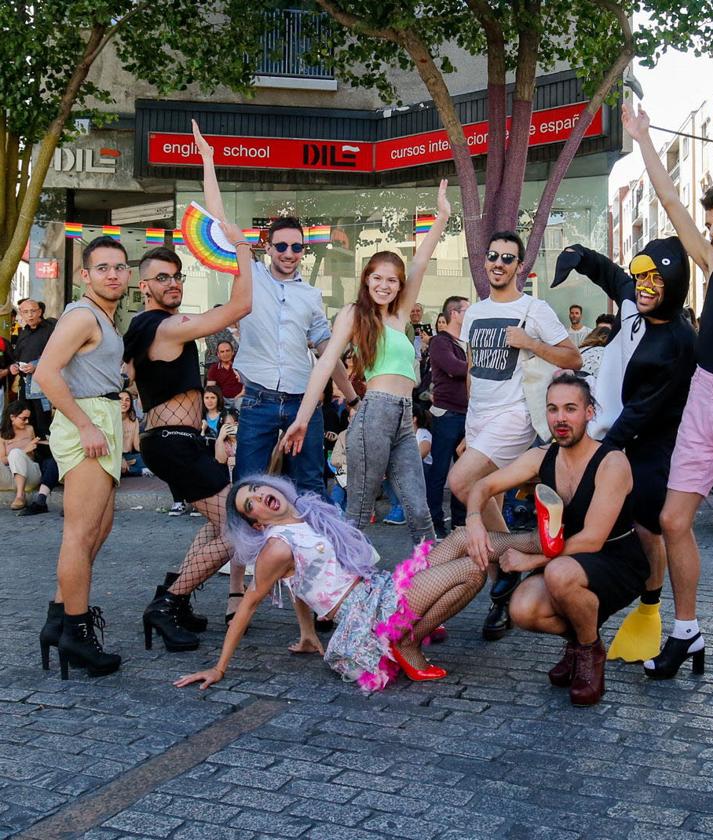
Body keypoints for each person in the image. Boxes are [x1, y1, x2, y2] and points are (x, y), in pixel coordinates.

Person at [622, 101, 713, 691]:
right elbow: (672, 204)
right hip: (701, 398)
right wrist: (644, 140)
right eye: (711, 226)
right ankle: (687, 631)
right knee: (672, 517)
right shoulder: (712, 265)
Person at [173, 474, 486, 692]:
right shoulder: (276, 547)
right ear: (256, 523)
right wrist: (219, 668)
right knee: (473, 570)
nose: (258, 496)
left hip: (379, 588)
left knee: (461, 537)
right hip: (367, 615)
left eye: (255, 489)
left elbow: (300, 581)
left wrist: (307, 632)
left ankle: (534, 545)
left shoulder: (307, 518)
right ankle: (407, 640)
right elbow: (249, 604)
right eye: (250, 504)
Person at [552, 237, 696, 665]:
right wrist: (578, 256)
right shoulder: (634, 299)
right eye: (641, 278)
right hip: (608, 436)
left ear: (674, 283)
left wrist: (597, 455)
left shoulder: (679, 342)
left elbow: (642, 412)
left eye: (655, 279)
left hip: (650, 445)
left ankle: (650, 607)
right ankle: (581, 630)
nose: (644, 287)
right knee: (585, 518)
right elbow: (611, 275)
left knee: (648, 524)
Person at [282, 183, 448, 553]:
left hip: (405, 419)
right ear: (366, 281)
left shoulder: (401, 316)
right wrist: (304, 418)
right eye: (378, 278)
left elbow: (420, 261)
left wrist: (442, 217)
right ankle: (337, 593)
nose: (385, 286)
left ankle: (428, 588)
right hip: (374, 415)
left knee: (419, 512)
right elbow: (326, 364)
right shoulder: (356, 315)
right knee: (358, 512)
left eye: (392, 280)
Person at [464, 371, 647, 706]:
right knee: (522, 609)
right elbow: (483, 485)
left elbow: (592, 539)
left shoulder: (612, 462)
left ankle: (590, 656)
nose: (560, 419)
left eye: (570, 409)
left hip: (616, 559)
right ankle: (581, 640)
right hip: (565, 559)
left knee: (558, 574)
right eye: (553, 409)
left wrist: (531, 561)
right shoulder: (541, 457)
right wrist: (474, 519)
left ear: (589, 412)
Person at [448, 230, 582, 640]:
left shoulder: (533, 308)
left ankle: (511, 557)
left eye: (508, 258)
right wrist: (470, 427)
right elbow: (473, 370)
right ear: (485, 261)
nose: (499, 263)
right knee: (494, 499)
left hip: (514, 414)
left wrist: (529, 342)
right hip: (480, 418)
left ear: (519, 266)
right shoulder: (474, 313)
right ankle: (500, 596)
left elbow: (572, 356)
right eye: (493, 256)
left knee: (463, 483)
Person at [34, 235, 128, 678]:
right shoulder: (81, 315)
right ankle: (76, 631)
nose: (113, 274)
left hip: (102, 417)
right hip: (86, 420)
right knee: (80, 532)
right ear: (86, 275)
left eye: (119, 267)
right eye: (103, 267)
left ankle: (58, 620)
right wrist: (86, 425)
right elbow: (46, 374)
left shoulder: (105, 318)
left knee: (97, 530)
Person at [230, 190, 356, 500]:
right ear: (269, 248)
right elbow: (221, 219)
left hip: (304, 401)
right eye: (282, 246)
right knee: (248, 484)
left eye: (297, 246)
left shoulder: (311, 295)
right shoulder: (250, 275)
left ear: (303, 250)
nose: (289, 253)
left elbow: (327, 350)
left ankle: (311, 549)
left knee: (310, 485)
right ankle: (251, 548)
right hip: (258, 399)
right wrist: (207, 161)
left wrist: (353, 399)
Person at [426, 295, 470, 537]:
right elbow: (454, 368)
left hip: (467, 415)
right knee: (440, 470)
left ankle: (459, 524)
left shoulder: (466, 342)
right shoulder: (439, 342)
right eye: (467, 310)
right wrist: (477, 366)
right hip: (447, 415)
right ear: (455, 313)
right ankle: (434, 523)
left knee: (463, 473)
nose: (470, 315)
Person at [10, 299, 57, 437]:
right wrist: (14, 366)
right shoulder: (23, 332)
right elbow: (17, 357)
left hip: (43, 385)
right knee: (27, 421)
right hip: (24, 385)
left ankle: (46, 456)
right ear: (21, 314)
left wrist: (37, 365)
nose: (30, 315)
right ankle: (32, 453)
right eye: (25, 312)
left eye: (33, 311)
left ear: (40, 312)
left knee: (44, 423)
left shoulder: (50, 329)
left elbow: (58, 354)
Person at [2, 400, 58, 514]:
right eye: (23, 418)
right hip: (9, 475)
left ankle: (20, 495)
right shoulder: (1, 435)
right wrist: (24, 450)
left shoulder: (29, 429)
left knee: (16, 453)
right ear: (12, 417)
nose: (27, 421)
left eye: (28, 418)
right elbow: (2, 460)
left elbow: (32, 458)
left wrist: (33, 447)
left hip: (29, 475)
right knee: (16, 453)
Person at [118, 389, 150, 476]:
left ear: (131, 403)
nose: (124, 402)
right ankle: (141, 471)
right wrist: (121, 459)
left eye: (127, 400)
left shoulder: (133, 420)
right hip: (115, 456)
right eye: (120, 399)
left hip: (130, 455)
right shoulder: (111, 419)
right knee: (114, 465)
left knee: (151, 460)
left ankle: (128, 470)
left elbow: (136, 445)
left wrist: (149, 453)